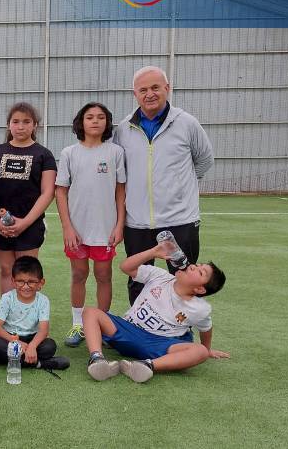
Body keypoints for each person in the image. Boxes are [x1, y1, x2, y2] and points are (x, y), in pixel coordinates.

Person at [113, 65, 214, 305]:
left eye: (156, 87)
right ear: (134, 94)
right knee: (138, 280)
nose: (150, 94)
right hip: (136, 222)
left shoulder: (186, 123)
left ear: (167, 89)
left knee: (183, 280)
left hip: (180, 220)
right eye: (143, 89)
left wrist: (180, 187)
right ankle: (140, 332)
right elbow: (121, 172)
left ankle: (179, 333)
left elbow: (204, 160)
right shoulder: (124, 129)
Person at [83, 242, 229, 383]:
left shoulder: (200, 309)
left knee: (200, 351)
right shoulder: (159, 276)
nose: (192, 267)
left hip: (160, 345)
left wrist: (207, 349)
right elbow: (125, 267)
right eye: (197, 265)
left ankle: (147, 366)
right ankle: (97, 359)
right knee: (90, 312)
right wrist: (152, 252)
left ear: (200, 289)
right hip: (129, 332)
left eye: (200, 271)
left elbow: (206, 328)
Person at [55, 102, 126, 347]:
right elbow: (60, 192)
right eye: (89, 117)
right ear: (81, 122)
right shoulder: (69, 153)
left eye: (100, 117)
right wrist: (67, 226)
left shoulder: (115, 152)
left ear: (107, 122)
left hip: (105, 229)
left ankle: (102, 325)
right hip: (77, 230)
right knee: (79, 274)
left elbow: (120, 191)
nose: (95, 121)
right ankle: (78, 324)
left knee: (104, 275)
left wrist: (119, 225)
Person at [0, 102, 56, 294]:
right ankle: (6, 319)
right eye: (15, 121)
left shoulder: (44, 155)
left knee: (26, 273)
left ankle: (27, 319)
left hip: (30, 225)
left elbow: (48, 192)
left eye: (26, 122)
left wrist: (24, 222)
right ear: (9, 125)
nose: (21, 126)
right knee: (7, 270)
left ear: (35, 125)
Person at [0, 256, 68, 371]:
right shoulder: (7, 298)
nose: (25, 286)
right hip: (11, 338)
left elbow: (43, 330)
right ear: (13, 281)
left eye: (31, 282)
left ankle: (2, 359)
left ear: (41, 283)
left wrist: (32, 346)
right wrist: (16, 342)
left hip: (32, 338)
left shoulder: (43, 300)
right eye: (20, 281)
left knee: (49, 346)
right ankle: (39, 363)